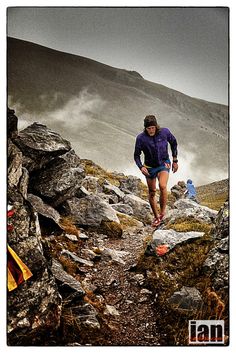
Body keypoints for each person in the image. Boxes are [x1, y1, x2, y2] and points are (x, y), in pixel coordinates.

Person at [134, 115, 178, 227]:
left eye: (153, 127)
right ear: (145, 128)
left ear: (156, 126)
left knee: (163, 186)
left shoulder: (164, 132)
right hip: (149, 167)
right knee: (152, 191)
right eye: (148, 128)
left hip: (164, 164)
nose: (151, 130)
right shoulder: (141, 138)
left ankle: (162, 214)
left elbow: (174, 142)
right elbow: (136, 155)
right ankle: (156, 216)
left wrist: (175, 160)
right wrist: (141, 167)